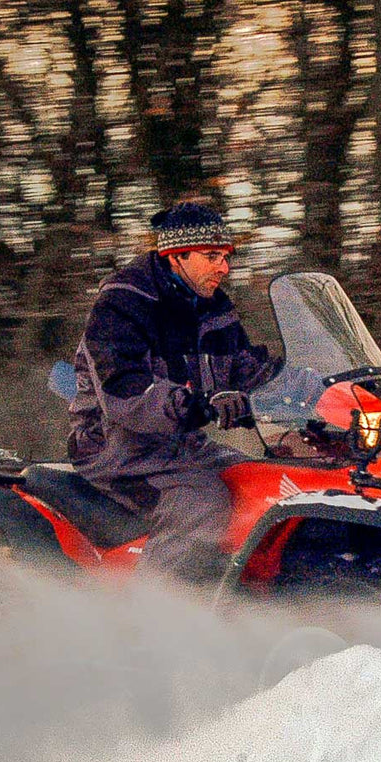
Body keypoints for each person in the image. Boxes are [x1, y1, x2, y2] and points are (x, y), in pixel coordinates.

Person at [66, 202, 278, 581]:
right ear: (176, 256)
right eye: (212, 256)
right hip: (116, 448)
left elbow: (249, 369)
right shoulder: (123, 303)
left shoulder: (214, 308)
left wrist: (320, 388)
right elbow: (124, 390)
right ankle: (156, 608)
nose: (224, 268)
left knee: (258, 481)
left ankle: (242, 592)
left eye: (226, 257)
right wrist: (193, 405)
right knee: (201, 502)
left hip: (180, 444)